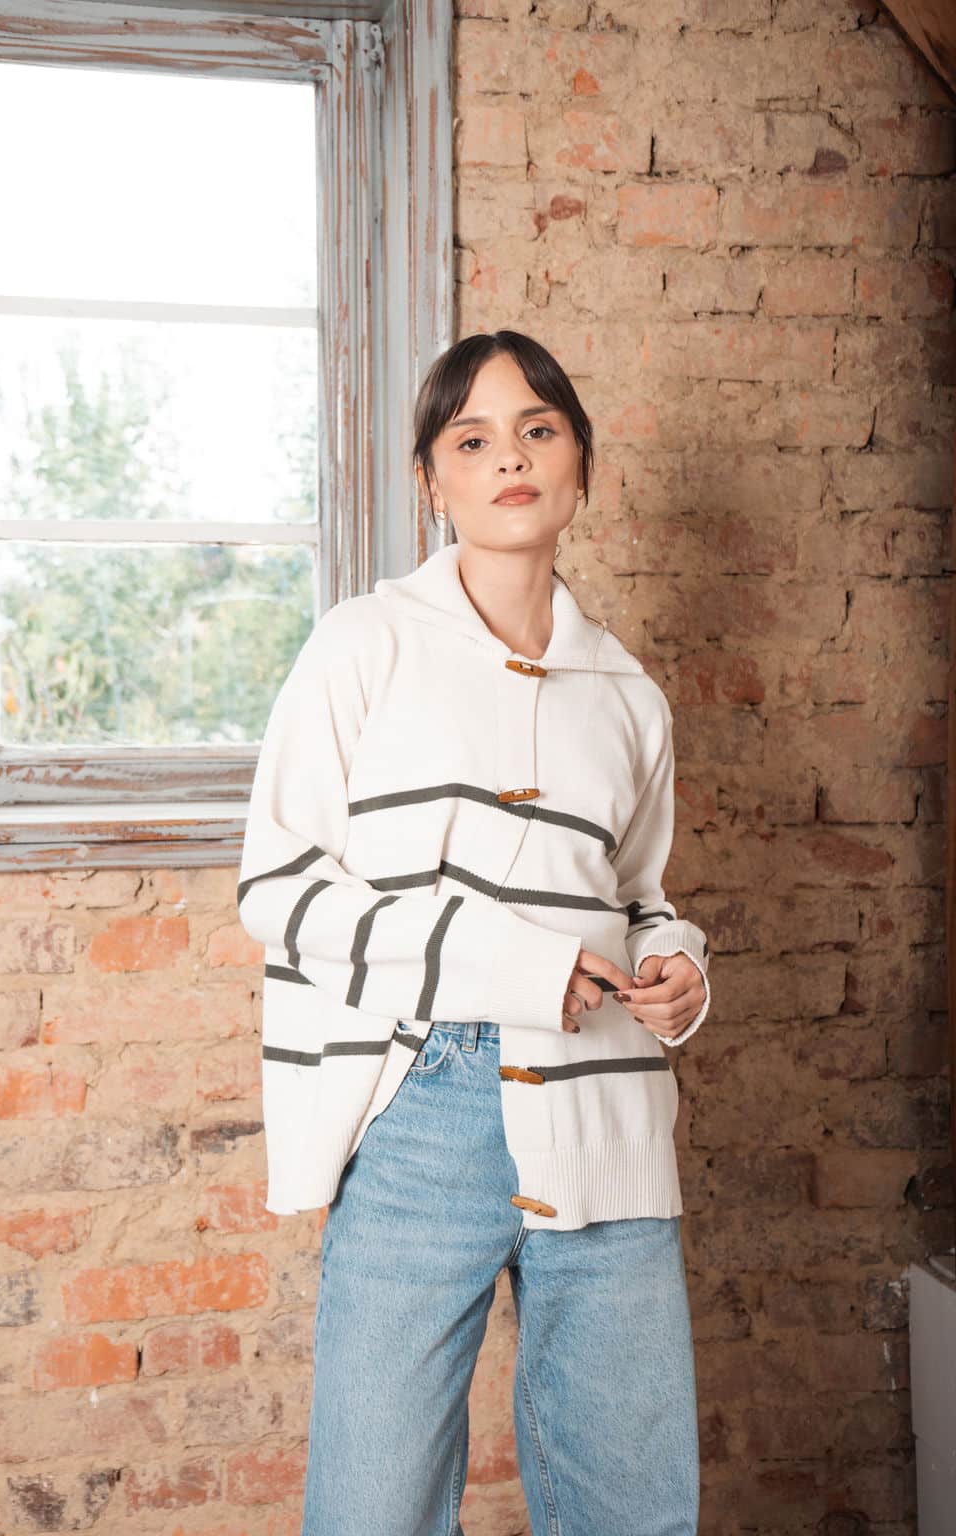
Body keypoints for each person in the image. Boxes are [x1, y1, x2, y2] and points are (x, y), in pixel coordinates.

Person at [236, 329, 711, 1535]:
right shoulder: (364, 644)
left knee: (634, 1512)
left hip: (606, 1107)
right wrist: (513, 967)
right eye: (473, 439)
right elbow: (278, 887)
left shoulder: (629, 695)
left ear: (580, 463)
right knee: (373, 1510)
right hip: (421, 1101)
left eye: (538, 430)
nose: (511, 458)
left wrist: (677, 966)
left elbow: (639, 895)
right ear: (430, 480)